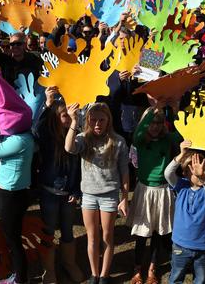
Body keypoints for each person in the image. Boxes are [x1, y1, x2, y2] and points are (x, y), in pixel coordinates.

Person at [0, 67, 35, 284]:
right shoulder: (24, 137)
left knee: (13, 240)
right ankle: (18, 276)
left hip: (10, 194)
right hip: (15, 192)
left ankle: (20, 280)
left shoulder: (17, 141)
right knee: (13, 237)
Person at [65, 102, 130, 284]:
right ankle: (95, 274)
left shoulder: (118, 142)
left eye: (101, 120)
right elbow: (69, 148)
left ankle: (104, 275)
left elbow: (124, 172)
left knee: (107, 236)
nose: (97, 124)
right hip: (89, 196)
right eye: (93, 120)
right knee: (92, 237)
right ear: (88, 120)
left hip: (109, 195)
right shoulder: (84, 138)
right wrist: (73, 121)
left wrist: (124, 198)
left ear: (108, 120)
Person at [35, 86, 84, 283]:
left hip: (68, 194)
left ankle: (68, 264)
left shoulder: (76, 135)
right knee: (47, 230)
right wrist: (47, 104)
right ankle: (49, 270)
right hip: (48, 193)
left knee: (67, 229)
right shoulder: (47, 135)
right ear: (56, 117)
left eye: (71, 115)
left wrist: (77, 190)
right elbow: (36, 129)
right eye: (64, 115)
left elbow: (80, 167)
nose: (69, 118)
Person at [128, 107, 181, 284]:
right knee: (142, 235)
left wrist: (173, 108)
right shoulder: (141, 140)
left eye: (159, 122)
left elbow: (180, 132)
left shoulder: (168, 140)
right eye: (152, 122)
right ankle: (137, 269)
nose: (155, 126)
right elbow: (139, 131)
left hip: (163, 190)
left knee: (158, 233)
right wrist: (153, 108)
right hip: (145, 190)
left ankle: (152, 268)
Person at [164, 140, 205, 284]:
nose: (201, 173)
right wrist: (181, 154)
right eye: (196, 170)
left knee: (201, 279)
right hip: (180, 245)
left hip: (202, 247)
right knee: (176, 277)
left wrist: (204, 178)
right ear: (186, 173)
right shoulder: (181, 186)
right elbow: (168, 173)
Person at [0, 10, 43, 83]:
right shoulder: (6, 61)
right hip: (11, 94)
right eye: (12, 44)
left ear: (24, 44)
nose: (15, 46)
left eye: (18, 44)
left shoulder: (34, 58)